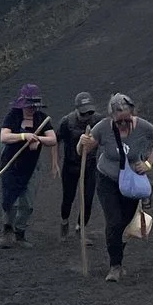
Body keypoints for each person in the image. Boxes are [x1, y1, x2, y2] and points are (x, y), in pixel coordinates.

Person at [79, 93, 153, 282]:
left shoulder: (143, 126)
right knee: (114, 221)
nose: (124, 124)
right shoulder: (102, 128)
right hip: (107, 179)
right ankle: (115, 266)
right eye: (119, 121)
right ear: (112, 117)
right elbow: (84, 150)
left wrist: (149, 163)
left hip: (131, 183)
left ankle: (117, 252)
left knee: (124, 223)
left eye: (128, 120)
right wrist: (81, 143)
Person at [0, 84, 54, 247]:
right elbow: (4, 137)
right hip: (11, 163)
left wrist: (38, 139)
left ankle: (20, 233)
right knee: (10, 200)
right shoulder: (13, 116)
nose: (31, 109)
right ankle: (7, 230)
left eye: (34, 106)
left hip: (31, 166)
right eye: (29, 106)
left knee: (27, 203)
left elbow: (52, 139)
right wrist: (24, 136)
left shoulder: (42, 118)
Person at [57, 91, 101, 239]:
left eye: (89, 113)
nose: (87, 116)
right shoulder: (67, 122)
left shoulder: (98, 121)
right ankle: (64, 221)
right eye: (83, 113)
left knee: (88, 199)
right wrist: (55, 161)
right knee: (68, 198)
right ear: (76, 109)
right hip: (70, 166)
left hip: (90, 165)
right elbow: (56, 140)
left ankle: (80, 228)